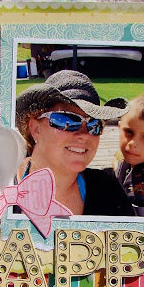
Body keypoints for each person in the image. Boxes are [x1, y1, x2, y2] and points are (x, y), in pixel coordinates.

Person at [15, 70, 135, 217]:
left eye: (94, 125)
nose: (83, 134)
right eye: (67, 121)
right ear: (35, 129)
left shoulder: (108, 192)